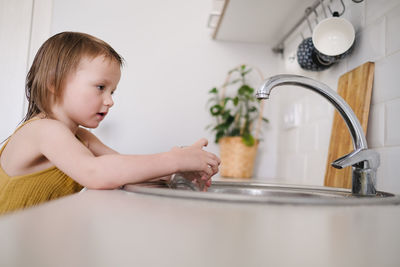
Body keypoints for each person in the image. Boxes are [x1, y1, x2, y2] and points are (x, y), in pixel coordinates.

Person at [0, 32, 220, 215]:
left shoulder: (81, 138)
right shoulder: (43, 130)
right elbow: (96, 173)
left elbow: (121, 166)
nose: (110, 101)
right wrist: (173, 160)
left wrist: (177, 170)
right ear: (54, 84)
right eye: (100, 87)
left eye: (112, 91)